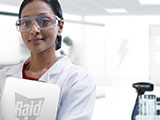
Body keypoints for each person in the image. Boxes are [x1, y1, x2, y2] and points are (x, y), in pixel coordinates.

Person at [0, 0, 96, 120]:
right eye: (26, 23)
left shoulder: (77, 80)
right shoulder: (3, 77)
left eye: (44, 21)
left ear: (60, 27)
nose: (34, 30)